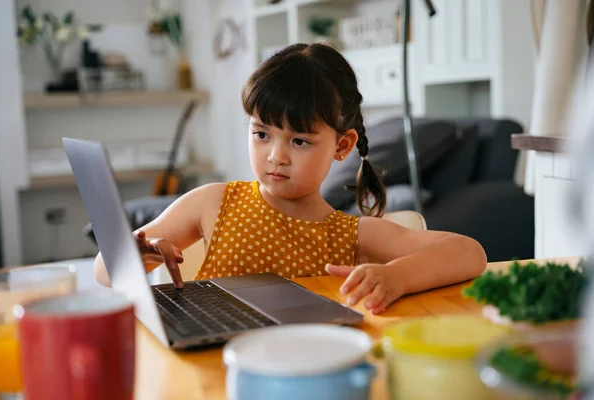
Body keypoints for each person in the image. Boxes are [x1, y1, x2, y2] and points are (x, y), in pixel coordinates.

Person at [94, 43, 486, 314]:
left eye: (299, 140)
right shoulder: (212, 203)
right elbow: (104, 272)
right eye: (261, 133)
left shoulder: (350, 235)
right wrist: (135, 253)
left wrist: (396, 276)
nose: (276, 156)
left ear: (342, 145)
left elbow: (471, 254)